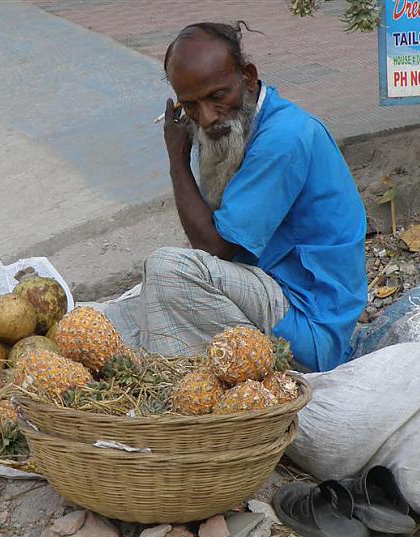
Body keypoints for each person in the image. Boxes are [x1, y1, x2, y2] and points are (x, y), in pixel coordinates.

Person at [104, 22, 366, 372]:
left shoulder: (283, 138)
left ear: (249, 77)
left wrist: (177, 162)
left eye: (217, 96)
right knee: (110, 316)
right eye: (191, 106)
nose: (208, 117)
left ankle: (179, 392)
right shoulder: (237, 124)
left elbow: (216, 248)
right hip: (270, 291)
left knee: (166, 269)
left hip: (311, 327)